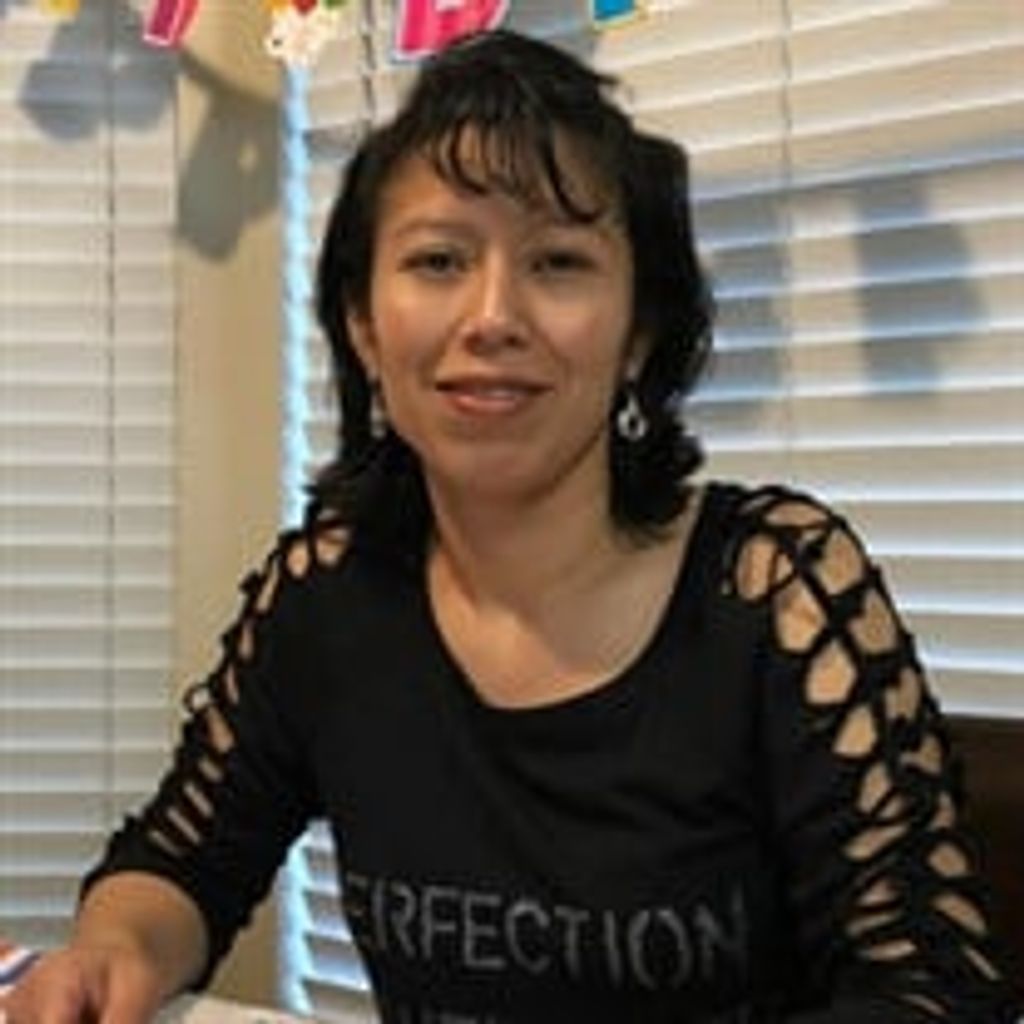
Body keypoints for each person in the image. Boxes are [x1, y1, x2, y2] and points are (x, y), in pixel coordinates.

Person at [1, 28, 1018, 1024]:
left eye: (559, 262)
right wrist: (117, 951)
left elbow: (931, 985)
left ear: (638, 332)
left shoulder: (775, 589)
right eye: (439, 259)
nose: (492, 317)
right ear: (364, 327)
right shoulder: (329, 593)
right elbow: (182, 857)